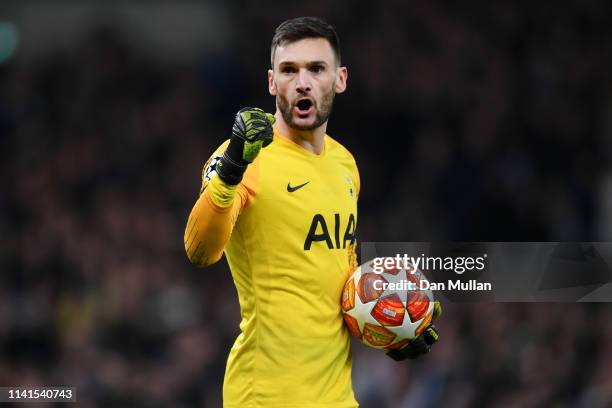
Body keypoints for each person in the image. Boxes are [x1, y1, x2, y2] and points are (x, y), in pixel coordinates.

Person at [184, 16, 440, 407]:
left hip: (337, 396)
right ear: (272, 82)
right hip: (266, 395)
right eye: (289, 70)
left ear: (339, 79)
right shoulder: (246, 155)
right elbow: (200, 251)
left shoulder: (345, 164)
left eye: (316, 69)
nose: (302, 81)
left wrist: (395, 320)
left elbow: (336, 276)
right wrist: (233, 167)